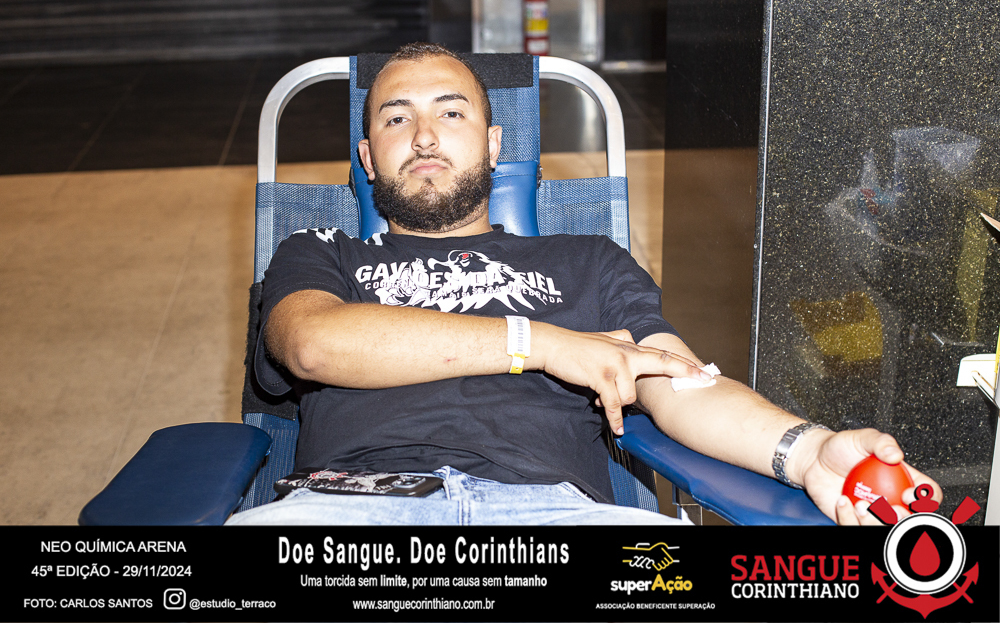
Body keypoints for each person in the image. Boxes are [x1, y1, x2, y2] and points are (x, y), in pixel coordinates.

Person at [226, 43, 940, 526]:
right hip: (347, 514)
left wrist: (808, 451)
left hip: (554, 514)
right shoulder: (320, 252)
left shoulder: (589, 260)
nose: (424, 136)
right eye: (396, 118)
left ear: (495, 145)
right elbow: (313, 345)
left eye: (451, 111)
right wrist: (541, 344)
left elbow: (680, 383)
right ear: (367, 158)